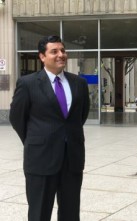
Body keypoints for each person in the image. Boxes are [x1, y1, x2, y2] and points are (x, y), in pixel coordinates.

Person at [9, 35, 90, 221]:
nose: (61, 55)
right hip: (40, 160)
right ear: (42, 57)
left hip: (72, 160)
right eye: (54, 51)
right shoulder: (28, 84)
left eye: (62, 50)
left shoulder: (79, 83)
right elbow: (17, 118)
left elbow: (79, 117)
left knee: (70, 213)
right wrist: (35, 139)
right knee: (39, 214)